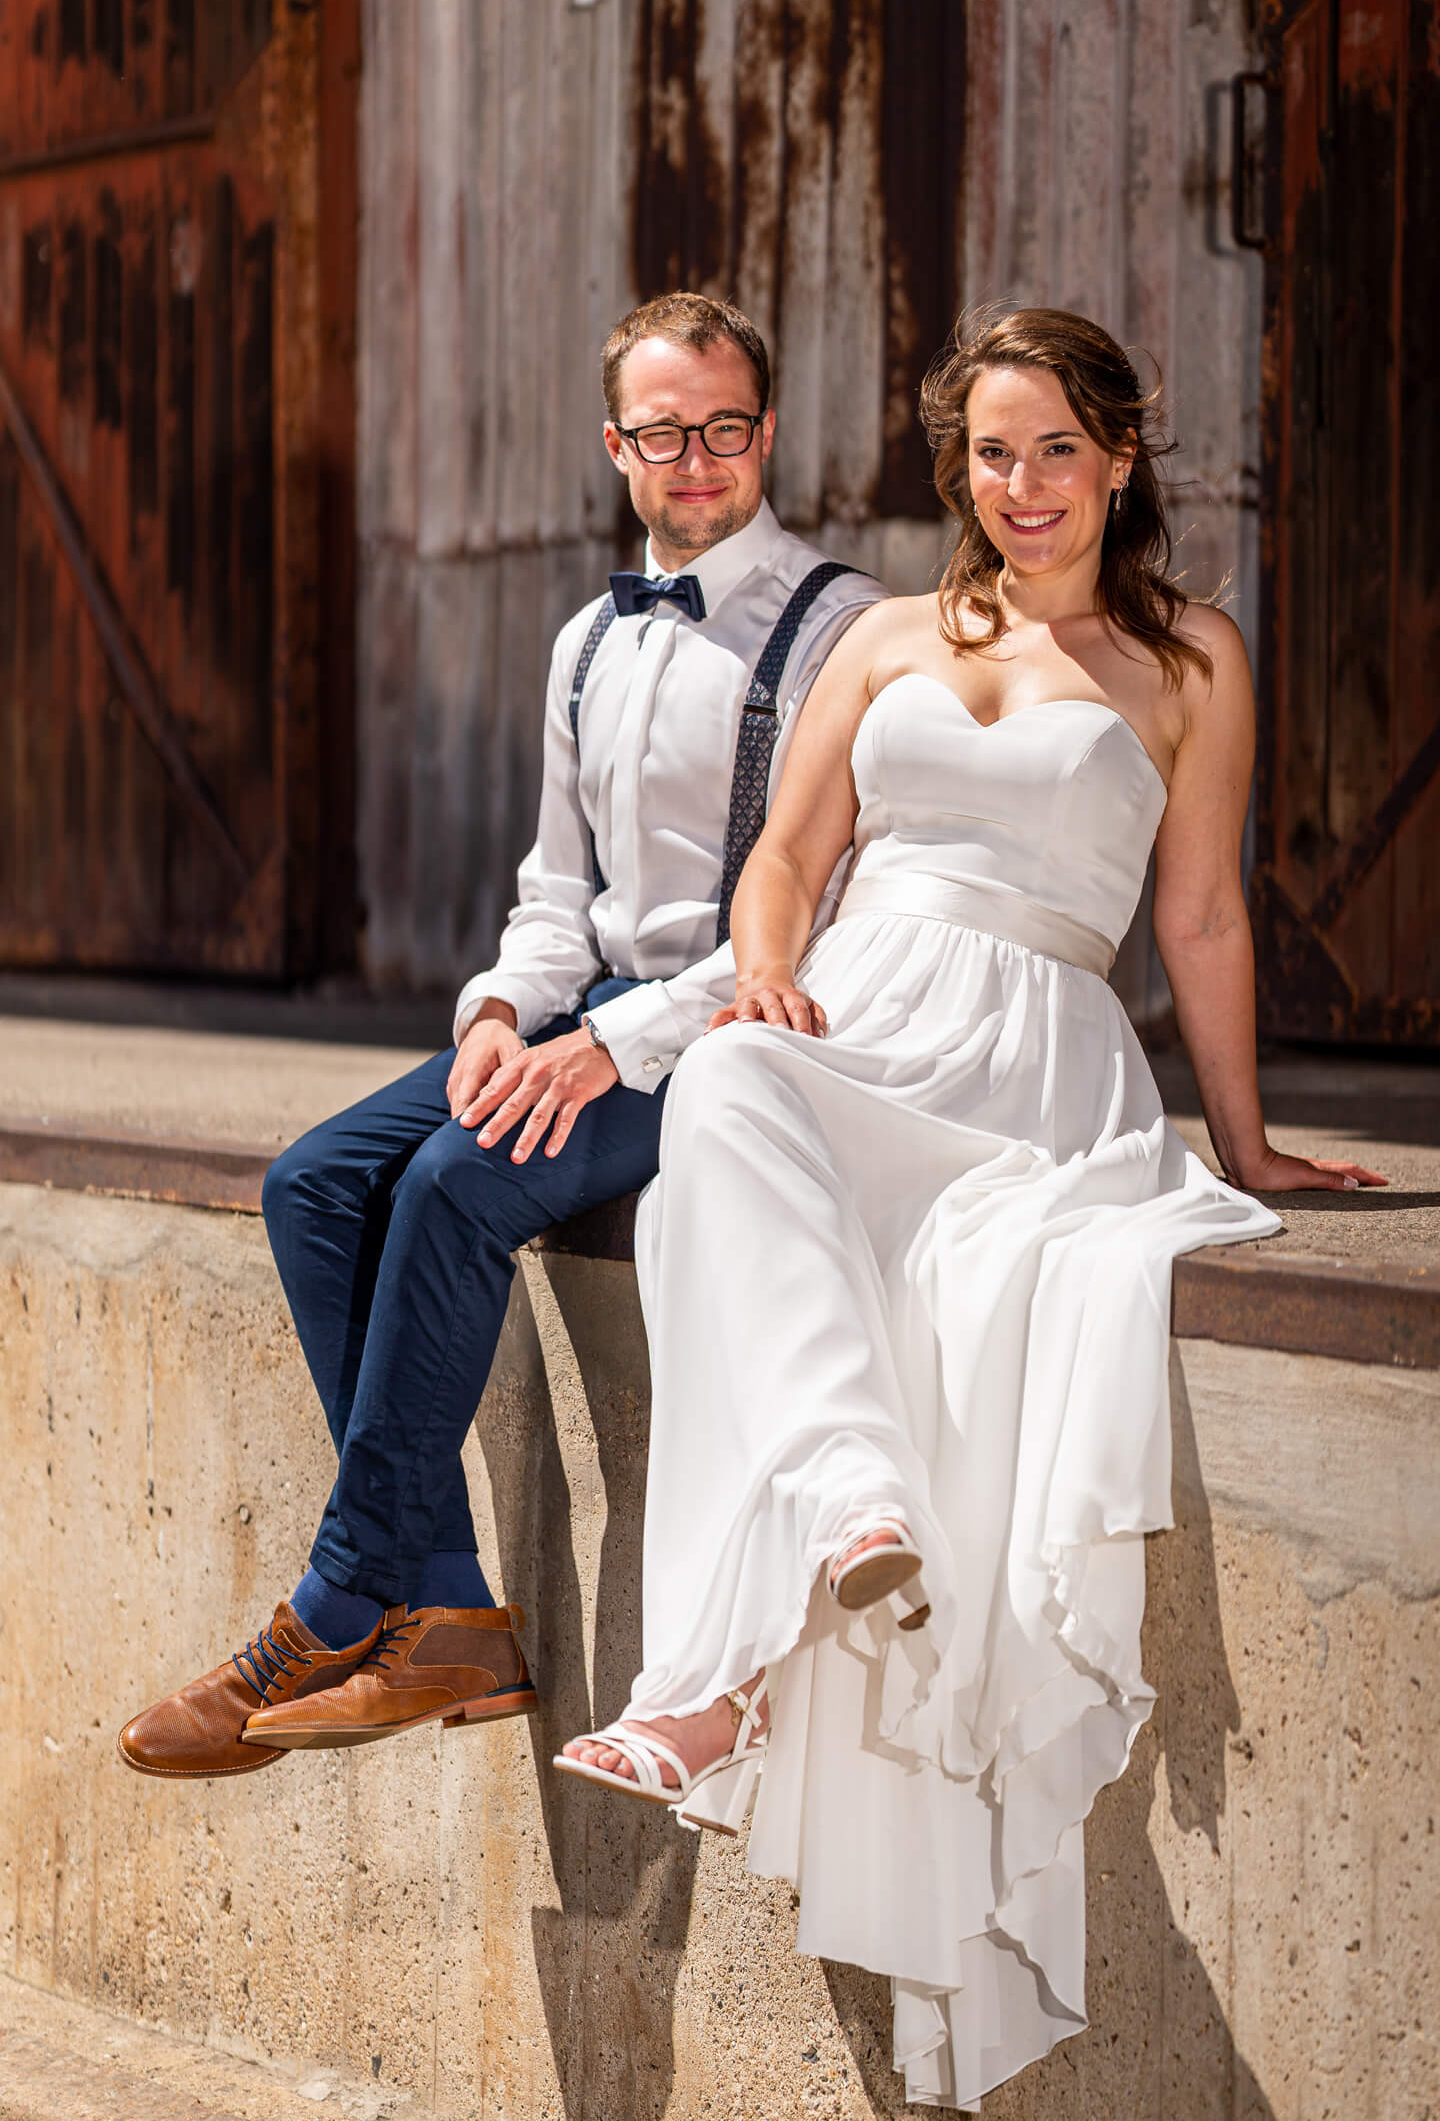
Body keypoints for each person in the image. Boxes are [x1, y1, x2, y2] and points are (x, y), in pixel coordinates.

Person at [555, 307, 1384, 2108]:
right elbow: (784, 860)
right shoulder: (886, 635)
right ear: (965, 470)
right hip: (859, 1007)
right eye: (993, 455)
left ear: (1121, 456)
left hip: (1031, 1049)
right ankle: (832, 1522)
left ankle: (721, 1681)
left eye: (1059, 450)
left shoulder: (1190, 662)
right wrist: (763, 974)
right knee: (729, 1088)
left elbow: (1205, 924)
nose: (1025, 489)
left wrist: (1245, 1146)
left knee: (776, 1197)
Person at [117, 292, 884, 1780]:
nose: (699, 457)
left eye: (727, 426)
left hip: (740, 1034)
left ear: (769, 431)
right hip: (590, 1009)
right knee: (316, 1180)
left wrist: (616, 1044)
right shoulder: (589, 640)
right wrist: (495, 1013)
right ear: (617, 446)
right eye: (664, 431)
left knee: (453, 1187)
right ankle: (452, 1608)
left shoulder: (838, 629)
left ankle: (341, 1602)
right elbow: (557, 894)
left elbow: (827, 911)